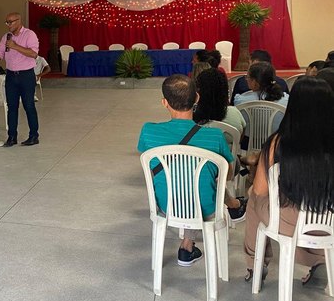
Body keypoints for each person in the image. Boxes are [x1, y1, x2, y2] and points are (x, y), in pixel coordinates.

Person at [243, 77, 334, 283]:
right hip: (329, 220)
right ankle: (319, 260)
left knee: (254, 199)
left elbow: (259, 190)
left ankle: (255, 263)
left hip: (289, 220)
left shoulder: (278, 141)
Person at [138, 74, 234, 266]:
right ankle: (189, 244)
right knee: (206, 185)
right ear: (197, 98)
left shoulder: (148, 131)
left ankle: (188, 244)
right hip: (206, 208)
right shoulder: (214, 136)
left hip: (166, 205)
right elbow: (228, 175)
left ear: (164, 103)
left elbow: (148, 165)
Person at [0, 12, 40, 147]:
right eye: (7, 22)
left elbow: (34, 54)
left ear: (18, 21)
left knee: (29, 105)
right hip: (11, 75)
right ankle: (12, 137)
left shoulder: (29, 34)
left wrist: (15, 46)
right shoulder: (6, 37)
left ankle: (34, 136)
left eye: (10, 22)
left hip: (26, 75)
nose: (8, 25)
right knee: (12, 107)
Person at [193, 68, 248, 221]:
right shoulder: (234, 113)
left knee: (207, 171)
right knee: (221, 168)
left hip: (196, 164)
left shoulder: (192, 115)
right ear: (225, 90)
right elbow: (240, 139)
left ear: (198, 90)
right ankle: (233, 204)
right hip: (229, 165)